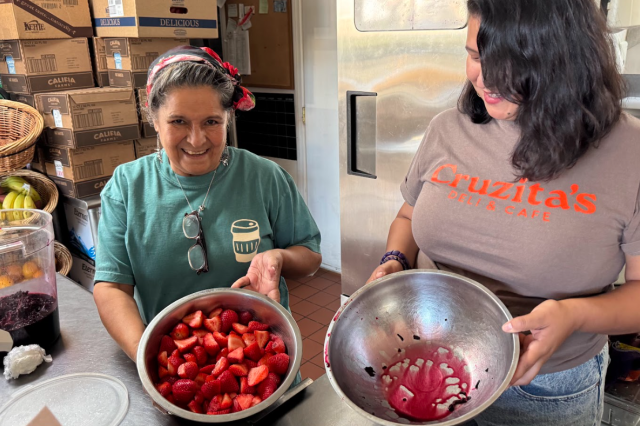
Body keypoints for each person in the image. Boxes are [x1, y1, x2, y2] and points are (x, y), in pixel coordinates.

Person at [368, 0, 640, 424]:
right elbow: (408, 218)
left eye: (510, 61)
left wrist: (574, 315)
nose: (485, 77)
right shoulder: (447, 128)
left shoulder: (629, 152)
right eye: (475, 55)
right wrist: (393, 261)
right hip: (425, 355)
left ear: (565, 59)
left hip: (543, 385)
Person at [94, 46, 322, 362]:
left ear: (228, 118)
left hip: (263, 361)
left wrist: (277, 257)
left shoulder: (263, 176)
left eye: (212, 122)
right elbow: (112, 288)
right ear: (154, 119)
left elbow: (309, 254)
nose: (197, 139)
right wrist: (148, 360)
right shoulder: (127, 188)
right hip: (174, 365)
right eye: (178, 122)